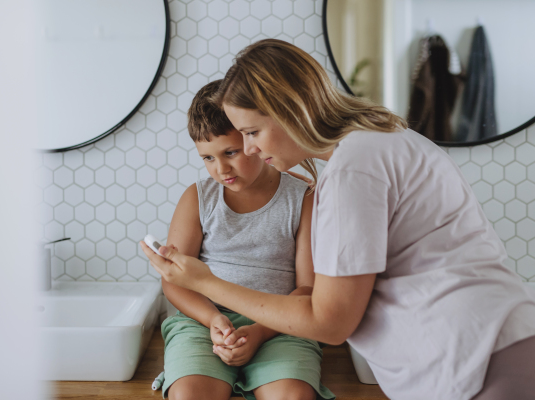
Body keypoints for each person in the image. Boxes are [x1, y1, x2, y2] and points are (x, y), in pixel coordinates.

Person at [142, 39, 535, 400]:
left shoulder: (354, 167)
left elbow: (329, 322)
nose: (249, 148)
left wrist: (204, 282)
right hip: (481, 348)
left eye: (252, 131)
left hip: (474, 359)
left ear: (289, 109)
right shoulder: (378, 142)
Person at [159, 80, 335, 400]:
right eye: (207, 158)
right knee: (188, 395)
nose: (221, 168)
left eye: (230, 152)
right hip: (205, 323)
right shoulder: (197, 198)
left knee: (293, 396)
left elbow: (308, 289)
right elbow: (174, 282)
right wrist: (214, 320)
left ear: (254, 139)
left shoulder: (303, 197)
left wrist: (260, 331)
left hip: (282, 325)